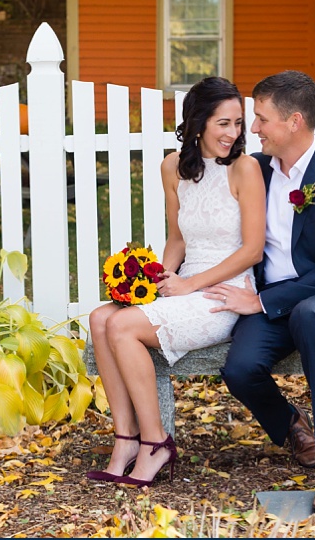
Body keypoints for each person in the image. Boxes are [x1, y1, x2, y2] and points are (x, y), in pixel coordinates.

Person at [203, 70, 315, 514]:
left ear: (295, 122)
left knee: (310, 315)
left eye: (262, 119)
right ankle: (293, 426)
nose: (254, 129)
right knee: (240, 369)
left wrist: (261, 302)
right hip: (273, 295)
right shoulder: (256, 170)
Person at [85, 76, 265, 487]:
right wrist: (158, 280)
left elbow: (252, 250)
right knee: (100, 318)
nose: (234, 133)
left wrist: (191, 284)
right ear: (199, 122)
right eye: (224, 123)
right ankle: (125, 438)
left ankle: (156, 443)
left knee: (122, 325)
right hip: (186, 283)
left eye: (238, 123)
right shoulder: (172, 166)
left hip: (224, 291)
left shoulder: (245, 169)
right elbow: (178, 238)